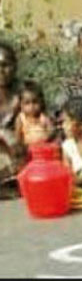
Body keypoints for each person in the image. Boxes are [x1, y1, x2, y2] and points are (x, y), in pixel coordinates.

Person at [0, 41, 20, 195]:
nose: (1, 70)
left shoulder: (25, 94)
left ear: (14, 66)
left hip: (18, 152)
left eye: (5, 65)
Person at [14, 80, 54, 147]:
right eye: (27, 103)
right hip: (28, 150)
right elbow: (18, 138)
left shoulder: (43, 117)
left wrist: (47, 137)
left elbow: (51, 130)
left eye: (35, 102)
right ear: (21, 105)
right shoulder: (21, 119)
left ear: (41, 102)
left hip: (44, 148)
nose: (32, 106)